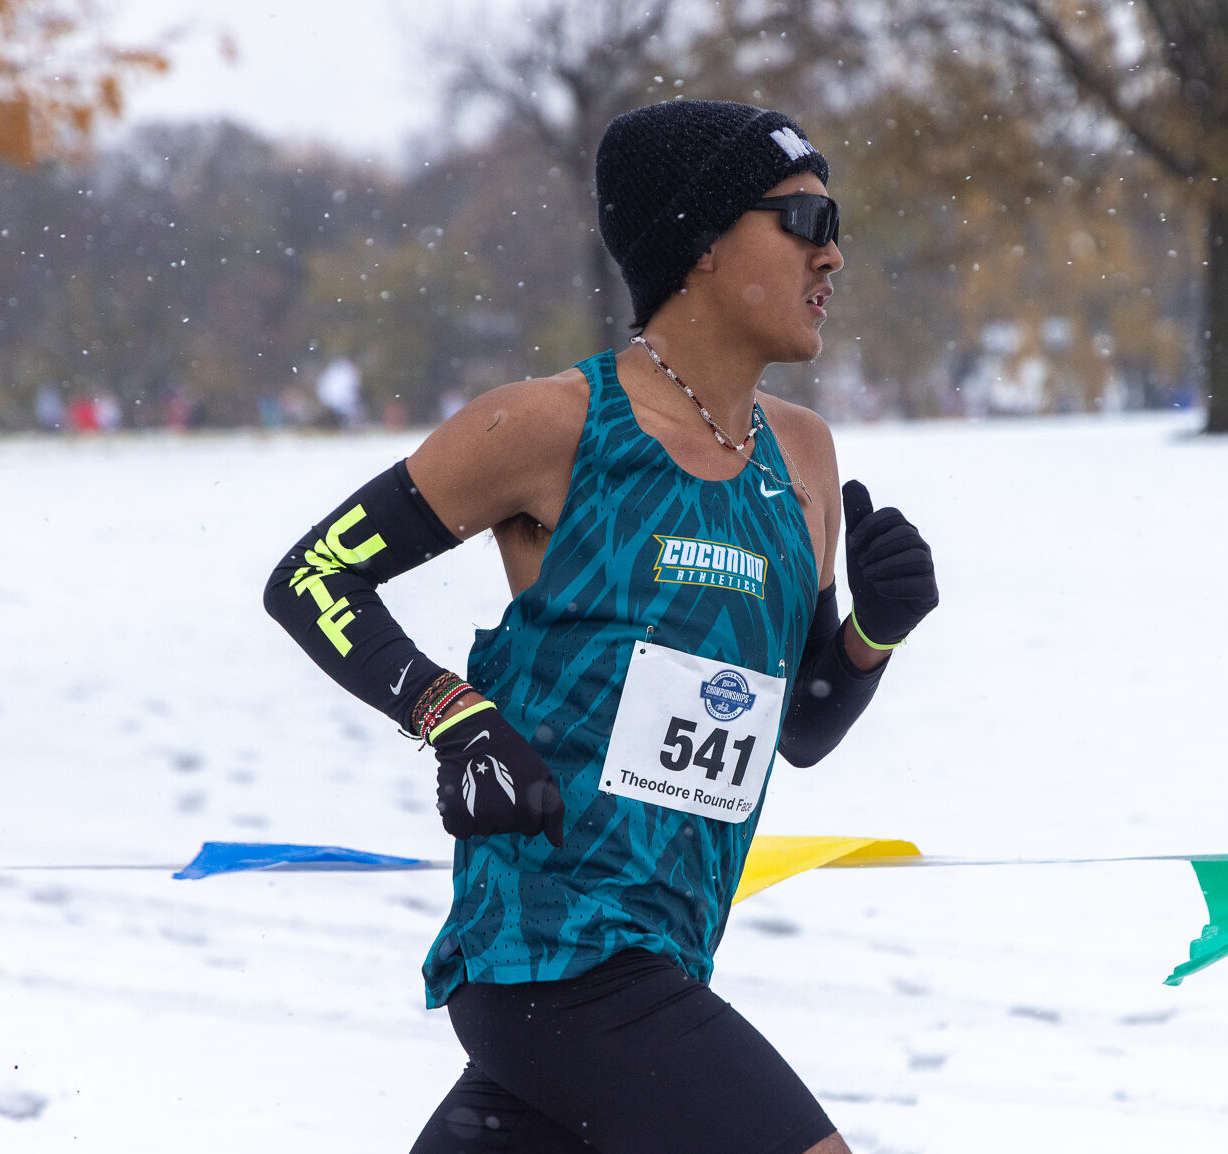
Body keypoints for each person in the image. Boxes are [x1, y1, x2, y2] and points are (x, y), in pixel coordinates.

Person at [264, 99, 940, 1154]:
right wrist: (456, 717)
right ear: (702, 244)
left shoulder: (800, 455)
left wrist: (872, 633)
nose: (834, 254)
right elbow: (312, 579)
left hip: (665, 954)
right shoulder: (552, 427)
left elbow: (796, 726)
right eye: (806, 221)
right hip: (551, 955)